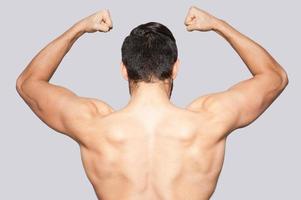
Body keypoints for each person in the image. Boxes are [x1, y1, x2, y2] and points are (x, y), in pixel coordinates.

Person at [16, 6, 288, 200]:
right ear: (176, 68)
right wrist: (217, 24)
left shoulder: (93, 125)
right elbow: (275, 77)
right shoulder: (209, 121)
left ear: (124, 69)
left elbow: (27, 83)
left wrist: (79, 28)